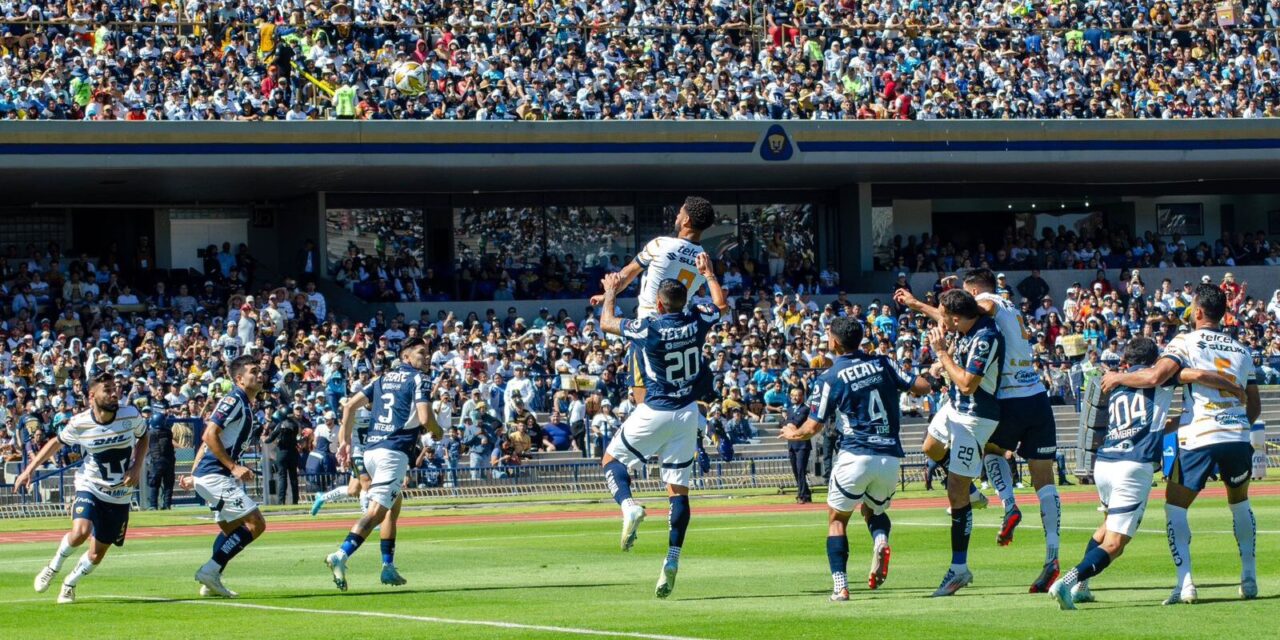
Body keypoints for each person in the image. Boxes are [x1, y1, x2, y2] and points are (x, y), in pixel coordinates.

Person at [899, 267, 1064, 591]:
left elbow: (961, 316)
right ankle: (1052, 555)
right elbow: (956, 317)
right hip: (1036, 396)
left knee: (985, 450)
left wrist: (926, 317)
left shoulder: (987, 303)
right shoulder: (1009, 308)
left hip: (1007, 400)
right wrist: (918, 305)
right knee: (1044, 481)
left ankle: (1007, 503)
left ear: (973, 292)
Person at [1049, 337, 1242, 610]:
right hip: (1132, 466)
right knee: (1116, 544)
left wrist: (1180, 421)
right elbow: (1197, 374)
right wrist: (1235, 388)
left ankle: (1082, 587)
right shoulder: (1158, 378)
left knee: (1105, 527)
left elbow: (1148, 426)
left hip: (1105, 463)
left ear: (1127, 360)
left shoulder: (1117, 383)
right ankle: (1067, 581)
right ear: (1155, 361)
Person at [1100, 284, 1261, 604]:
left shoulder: (1185, 341)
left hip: (1200, 436)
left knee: (1175, 507)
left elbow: (1153, 377)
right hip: (1237, 436)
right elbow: (1254, 407)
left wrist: (1117, 378)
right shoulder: (1242, 350)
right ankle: (1249, 577)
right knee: (1240, 504)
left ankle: (1185, 584)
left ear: (1198, 312)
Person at [597, 251, 727, 599]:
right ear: (685, 300)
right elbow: (720, 305)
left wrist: (611, 290)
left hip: (655, 408)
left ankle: (629, 506)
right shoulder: (698, 318)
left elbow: (607, 323)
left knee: (612, 462)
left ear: (657, 302)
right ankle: (672, 558)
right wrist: (709, 274)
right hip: (686, 413)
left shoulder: (650, 326)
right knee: (678, 491)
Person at [779, 317, 933, 601]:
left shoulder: (829, 377)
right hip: (889, 457)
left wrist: (792, 432)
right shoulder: (884, 363)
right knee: (873, 511)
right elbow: (922, 387)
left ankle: (841, 586)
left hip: (855, 454)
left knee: (837, 520)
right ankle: (881, 539)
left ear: (835, 342)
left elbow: (812, 428)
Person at [13, 373, 147, 604]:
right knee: (80, 531)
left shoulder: (130, 415)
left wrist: (136, 467)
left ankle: (70, 583)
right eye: (107, 389)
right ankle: (53, 567)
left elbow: (144, 436)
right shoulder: (80, 422)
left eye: (115, 388)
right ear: (92, 396)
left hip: (119, 494)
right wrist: (29, 470)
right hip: (90, 485)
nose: (114, 393)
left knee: (97, 553)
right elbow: (56, 442)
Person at [324, 337, 439, 591]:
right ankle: (340, 555)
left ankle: (388, 567)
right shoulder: (420, 379)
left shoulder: (381, 379)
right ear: (406, 357)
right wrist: (438, 431)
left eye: (428, 352)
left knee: (392, 507)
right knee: (376, 512)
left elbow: (350, 406)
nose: (427, 356)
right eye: (421, 352)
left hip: (372, 451)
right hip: (394, 452)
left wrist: (344, 441)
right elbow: (424, 417)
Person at [591, 196, 716, 405]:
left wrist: (609, 293)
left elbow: (627, 274)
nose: (677, 215)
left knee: (644, 402)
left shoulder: (661, 244)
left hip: (649, 328)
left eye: (680, 212)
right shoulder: (704, 259)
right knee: (675, 397)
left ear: (685, 221)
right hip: (679, 330)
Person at [921, 289, 1004, 597]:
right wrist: (943, 363)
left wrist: (942, 354)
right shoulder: (967, 326)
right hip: (955, 407)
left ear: (956, 318)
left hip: (976, 416)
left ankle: (959, 569)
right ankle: (971, 489)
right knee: (930, 447)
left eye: (945, 317)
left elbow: (968, 385)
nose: (942, 321)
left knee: (954, 492)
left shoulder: (985, 337)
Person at [184, 355, 267, 598]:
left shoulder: (244, 402)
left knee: (231, 529)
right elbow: (209, 435)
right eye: (253, 371)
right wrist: (233, 467)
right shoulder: (234, 399)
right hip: (216, 475)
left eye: (260, 370)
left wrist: (193, 475)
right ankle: (210, 571)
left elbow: (208, 441)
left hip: (210, 475)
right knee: (256, 524)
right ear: (239, 378)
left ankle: (211, 580)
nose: (259, 374)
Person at [311, 400, 372, 515]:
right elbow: (343, 430)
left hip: (371, 453)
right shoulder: (357, 410)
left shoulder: (379, 409)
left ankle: (322, 497)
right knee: (366, 483)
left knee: (353, 490)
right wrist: (344, 448)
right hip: (357, 452)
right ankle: (368, 517)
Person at [262, 409, 301, 504]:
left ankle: (281, 501)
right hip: (293, 452)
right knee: (294, 478)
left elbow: (270, 439)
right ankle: (295, 501)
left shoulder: (280, 425)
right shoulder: (295, 424)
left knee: (282, 477)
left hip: (282, 453)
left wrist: (264, 439)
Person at [782, 387, 813, 504]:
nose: (795, 397)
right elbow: (784, 423)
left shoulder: (805, 409)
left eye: (797, 395)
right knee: (796, 471)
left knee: (801, 470)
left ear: (802, 396)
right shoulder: (789, 409)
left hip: (802, 445)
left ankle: (801, 495)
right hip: (791, 444)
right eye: (793, 395)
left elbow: (797, 421)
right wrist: (789, 423)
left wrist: (789, 423)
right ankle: (806, 493)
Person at [144, 405, 176, 510]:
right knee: (168, 484)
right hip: (169, 461)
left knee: (154, 484)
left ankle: (153, 505)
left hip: (156, 461)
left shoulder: (151, 433)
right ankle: (167, 505)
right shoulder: (168, 432)